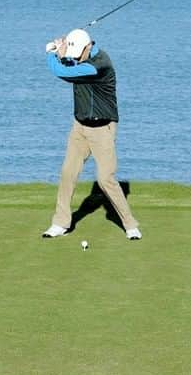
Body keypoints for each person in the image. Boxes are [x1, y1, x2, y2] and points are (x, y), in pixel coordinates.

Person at [42, 28, 142, 241]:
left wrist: (52, 54)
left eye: (79, 53)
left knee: (105, 179)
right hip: (79, 127)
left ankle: (130, 224)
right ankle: (60, 223)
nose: (77, 57)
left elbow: (64, 72)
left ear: (88, 47)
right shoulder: (80, 57)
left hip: (102, 129)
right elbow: (70, 63)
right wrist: (62, 49)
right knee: (68, 173)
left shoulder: (100, 65)